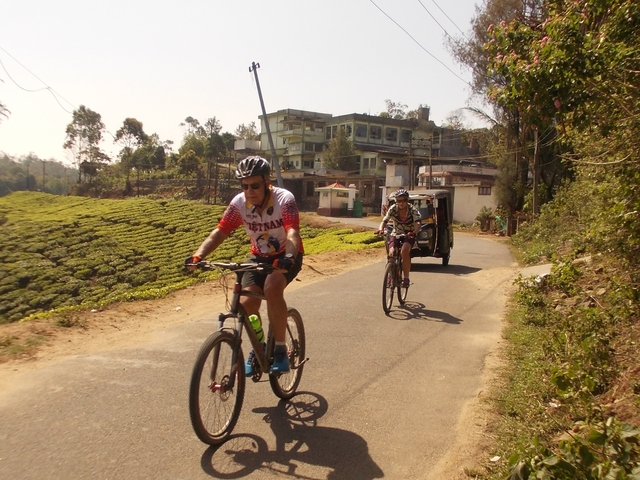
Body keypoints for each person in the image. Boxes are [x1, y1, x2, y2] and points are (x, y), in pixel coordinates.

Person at [185, 156, 304, 375]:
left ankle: (279, 350)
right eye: (245, 186)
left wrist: (288, 256)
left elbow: (292, 232)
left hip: (286, 254)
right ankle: (259, 347)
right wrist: (198, 255)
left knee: (272, 287)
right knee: (247, 303)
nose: (250, 191)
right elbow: (221, 231)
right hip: (258, 256)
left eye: (255, 185)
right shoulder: (239, 204)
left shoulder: (284, 199)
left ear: (267, 182)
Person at [375, 189, 421, 287]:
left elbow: (418, 222)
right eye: (399, 201)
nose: (401, 203)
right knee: (391, 253)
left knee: (404, 251)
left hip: (409, 234)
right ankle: (391, 275)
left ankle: (406, 278)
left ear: (407, 200)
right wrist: (380, 229)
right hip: (396, 234)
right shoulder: (393, 208)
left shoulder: (412, 209)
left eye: (404, 200)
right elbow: (385, 221)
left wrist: (414, 232)